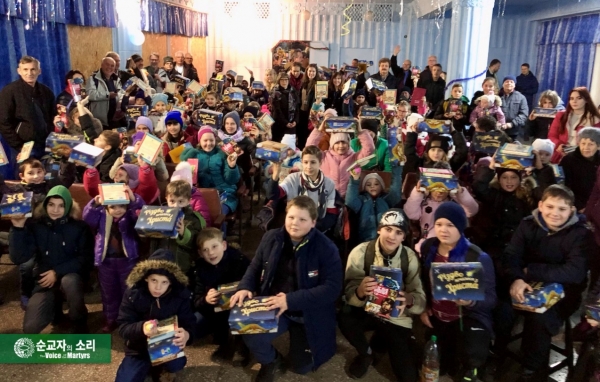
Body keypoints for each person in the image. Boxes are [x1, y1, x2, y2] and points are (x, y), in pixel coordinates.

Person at [230, 196, 342, 381]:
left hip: (307, 311)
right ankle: (271, 361)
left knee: (302, 367)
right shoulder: (271, 237)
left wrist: (290, 300)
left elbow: (332, 288)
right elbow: (255, 266)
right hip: (274, 304)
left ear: (313, 222)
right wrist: (245, 286)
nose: (294, 223)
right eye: (291, 217)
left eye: (302, 219)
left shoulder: (327, 248)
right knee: (251, 336)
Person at [501, 185, 590, 381]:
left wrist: (531, 270)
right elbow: (511, 255)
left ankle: (532, 370)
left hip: (564, 292)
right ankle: (498, 353)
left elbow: (574, 272)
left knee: (539, 319)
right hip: (524, 284)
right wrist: (517, 278)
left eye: (562, 209)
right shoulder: (527, 224)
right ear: (540, 205)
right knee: (502, 309)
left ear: (572, 211)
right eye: (550, 206)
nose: (555, 213)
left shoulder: (580, 234)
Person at [339, 209, 425, 381]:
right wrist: (359, 291)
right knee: (344, 317)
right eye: (388, 229)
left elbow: (420, 298)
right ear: (379, 229)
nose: (392, 236)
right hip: (367, 310)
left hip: (395, 317)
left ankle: (382, 340)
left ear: (404, 236)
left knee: (408, 376)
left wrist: (409, 300)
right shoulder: (361, 252)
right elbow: (348, 293)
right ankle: (367, 353)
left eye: (398, 232)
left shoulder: (409, 258)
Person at [420, 202, 496, 381]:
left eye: (450, 225)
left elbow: (492, 299)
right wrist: (424, 307)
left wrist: (471, 302)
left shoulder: (477, 257)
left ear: (461, 227)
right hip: (438, 316)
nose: (443, 230)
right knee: (440, 364)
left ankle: (479, 363)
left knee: (468, 359)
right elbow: (423, 281)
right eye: (439, 224)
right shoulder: (429, 248)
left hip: (465, 319)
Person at [9, 185, 93, 334]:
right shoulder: (36, 226)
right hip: (44, 280)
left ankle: (78, 320)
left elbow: (85, 258)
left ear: (68, 207)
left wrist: (57, 272)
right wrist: (18, 228)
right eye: (51, 205)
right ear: (45, 205)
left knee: (70, 281)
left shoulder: (80, 227)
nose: (55, 210)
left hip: (72, 276)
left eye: (61, 206)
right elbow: (19, 258)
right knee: (30, 328)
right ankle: (55, 311)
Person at [115, 249, 195, 382]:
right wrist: (142, 328)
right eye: (154, 280)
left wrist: (187, 335)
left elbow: (190, 323)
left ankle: (161, 367)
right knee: (125, 379)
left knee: (177, 363)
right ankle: (148, 366)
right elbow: (123, 327)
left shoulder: (179, 296)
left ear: (171, 282)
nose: (158, 287)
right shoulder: (133, 294)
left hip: (167, 347)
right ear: (146, 277)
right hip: (139, 350)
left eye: (164, 282)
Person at [82, 184, 143, 333]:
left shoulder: (130, 216)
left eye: (122, 206)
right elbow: (87, 218)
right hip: (106, 261)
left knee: (127, 291)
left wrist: (134, 199)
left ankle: (127, 319)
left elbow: (141, 213)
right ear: (106, 207)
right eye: (113, 207)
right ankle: (110, 319)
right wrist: (95, 203)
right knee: (109, 293)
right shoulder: (102, 215)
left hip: (127, 261)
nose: (118, 210)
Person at [193, 228, 250, 363]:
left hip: (239, 305)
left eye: (214, 246)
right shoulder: (199, 269)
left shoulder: (239, 261)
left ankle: (241, 345)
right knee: (194, 327)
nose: (211, 253)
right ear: (200, 253)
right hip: (215, 310)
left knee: (241, 318)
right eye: (205, 250)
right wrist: (206, 299)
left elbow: (252, 281)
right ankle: (223, 338)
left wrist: (245, 290)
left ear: (224, 245)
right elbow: (196, 299)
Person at [259, 145, 337, 233]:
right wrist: (275, 175)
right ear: (301, 162)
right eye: (305, 162)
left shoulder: (329, 184)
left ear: (320, 162)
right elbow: (272, 195)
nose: (309, 166)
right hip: (293, 226)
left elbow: (331, 213)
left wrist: (311, 228)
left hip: (316, 228)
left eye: (313, 162)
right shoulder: (293, 179)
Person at [0, 56, 55, 172]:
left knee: (47, 179)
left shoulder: (46, 91)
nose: (29, 73)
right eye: (25, 69)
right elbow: (4, 122)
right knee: (25, 182)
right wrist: (19, 147)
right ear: (19, 71)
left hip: (45, 145)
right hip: (23, 147)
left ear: (39, 71)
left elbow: (52, 117)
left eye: (33, 69)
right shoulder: (9, 92)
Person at [181, 126, 241, 217]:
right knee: (197, 214)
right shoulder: (193, 156)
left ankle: (220, 231)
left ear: (215, 141)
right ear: (199, 141)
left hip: (225, 193)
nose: (209, 143)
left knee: (217, 213)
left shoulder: (222, 154)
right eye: (205, 140)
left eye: (211, 140)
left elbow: (232, 180)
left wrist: (231, 166)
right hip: (202, 195)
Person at [148, 180, 205, 275]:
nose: (176, 205)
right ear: (166, 199)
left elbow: (197, 243)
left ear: (189, 201)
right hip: (159, 262)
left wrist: (184, 233)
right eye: (172, 201)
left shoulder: (193, 219)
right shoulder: (158, 214)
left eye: (181, 201)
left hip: (181, 265)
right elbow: (153, 240)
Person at [548, 87, 600, 163]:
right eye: (571, 98)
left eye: (579, 98)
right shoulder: (561, 115)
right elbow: (552, 136)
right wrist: (559, 145)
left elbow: (597, 143)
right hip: (561, 154)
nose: (574, 101)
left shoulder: (594, 119)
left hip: (583, 157)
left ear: (586, 100)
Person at [560, 127, 600, 211]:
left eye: (591, 144)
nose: (586, 147)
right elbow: (565, 186)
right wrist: (579, 206)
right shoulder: (569, 160)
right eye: (583, 143)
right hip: (574, 205)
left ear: (598, 146)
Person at [86, 57, 122, 129]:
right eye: (107, 64)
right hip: (99, 121)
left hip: (114, 119)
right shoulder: (93, 79)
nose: (109, 67)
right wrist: (107, 95)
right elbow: (90, 95)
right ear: (102, 65)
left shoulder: (116, 79)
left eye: (112, 66)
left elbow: (120, 94)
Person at [271, 72, 299, 144]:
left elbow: (297, 108)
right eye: (282, 80)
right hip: (279, 124)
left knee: (290, 147)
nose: (284, 82)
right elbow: (277, 110)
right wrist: (285, 123)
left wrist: (295, 121)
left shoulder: (293, 91)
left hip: (292, 123)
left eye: (286, 80)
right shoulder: (276, 92)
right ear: (279, 81)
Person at [499, 76, 529, 140]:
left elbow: (524, 114)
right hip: (498, 131)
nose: (509, 83)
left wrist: (512, 124)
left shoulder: (521, 98)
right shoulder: (497, 97)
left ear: (515, 85)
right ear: (503, 84)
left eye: (511, 82)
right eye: (506, 81)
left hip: (515, 132)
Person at [297, 64, 318, 149]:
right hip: (302, 111)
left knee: (309, 133)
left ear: (316, 72)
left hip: (311, 112)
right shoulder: (304, 82)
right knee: (301, 132)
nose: (311, 73)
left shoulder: (319, 84)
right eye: (310, 71)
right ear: (306, 72)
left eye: (313, 71)